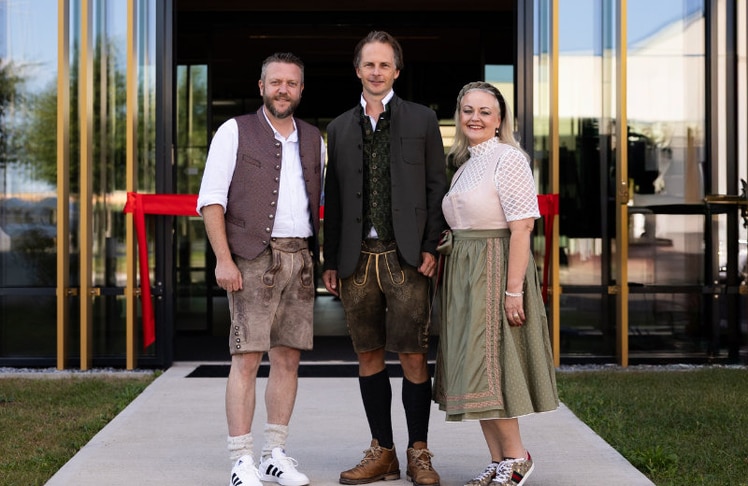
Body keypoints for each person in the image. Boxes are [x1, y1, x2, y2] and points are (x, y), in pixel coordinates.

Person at [322, 31, 448, 486]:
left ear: (397, 70)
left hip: (408, 258)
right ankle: (383, 452)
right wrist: (330, 259)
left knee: (414, 355)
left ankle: (419, 453)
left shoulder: (422, 119)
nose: (376, 72)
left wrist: (432, 246)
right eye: (368, 65)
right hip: (357, 259)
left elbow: (438, 187)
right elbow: (332, 200)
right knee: (368, 355)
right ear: (357, 70)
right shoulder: (337, 128)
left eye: (384, 65)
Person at [197, 52, 324, 486]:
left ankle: (275, 453)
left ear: (301, 89)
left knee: (288, 359)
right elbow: (211, 200)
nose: (283, 89)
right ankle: (240, 458)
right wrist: (224, 259)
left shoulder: (313, 139)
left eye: (291, 83)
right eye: (275, 82)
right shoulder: (234, 131)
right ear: (261, 86)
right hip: (252, 258)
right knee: (247, 358)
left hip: (300, 258)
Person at [432, 81, 559, 486]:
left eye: (485, 111)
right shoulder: (467, 164)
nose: (475, 118)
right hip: (464, 272)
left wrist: (513, 290)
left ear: (500, 119)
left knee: (494, 366)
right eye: (468, 110)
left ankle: (518, 457)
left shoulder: (509, 159)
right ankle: (498, 459)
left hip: (494, 268)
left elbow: (522, 228)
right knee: (473, 369)